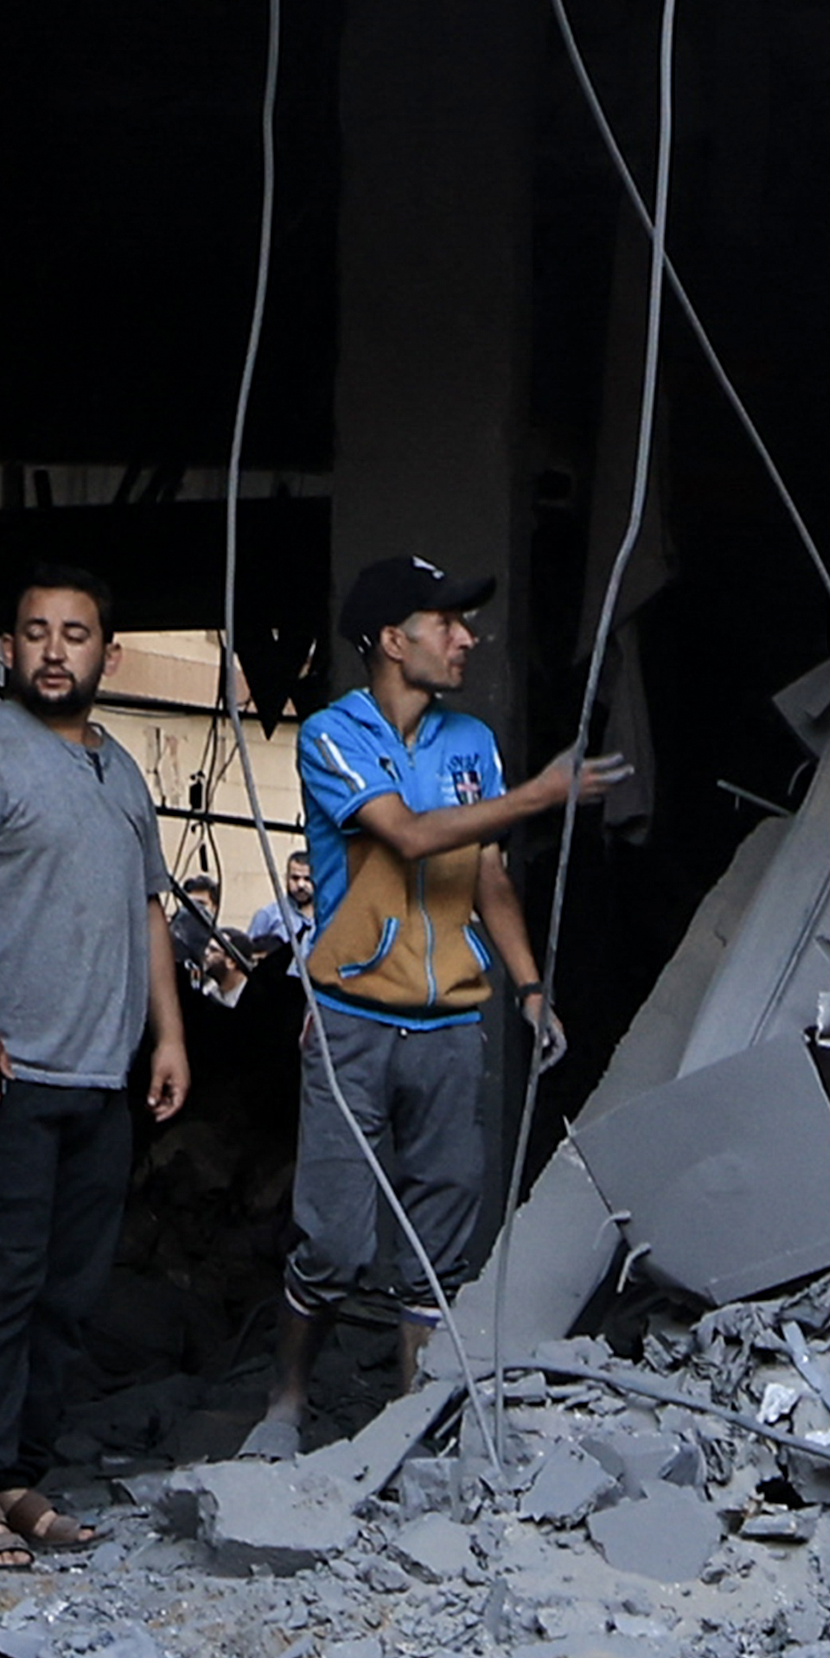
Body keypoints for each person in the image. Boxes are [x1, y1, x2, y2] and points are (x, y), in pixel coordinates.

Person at [276, 556, 614, 1439]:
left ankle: (412, 1429)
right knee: (335, 1243)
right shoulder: (333, 736)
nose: (468, 638)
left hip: (453, 1023)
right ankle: (286, 1401)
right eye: (448, 623)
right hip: (352, 1019)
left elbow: (487, 873)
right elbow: (412, 836)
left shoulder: (472, 743)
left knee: (439, 1245)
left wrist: (529, 986)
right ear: (394, 641)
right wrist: (539, 795)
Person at [0, 575, 187, 1566]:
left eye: (75, 634)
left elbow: (148, 910)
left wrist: (168, 1036)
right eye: (35, 632)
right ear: (8, 647)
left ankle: (17, 1476)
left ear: (108, 653)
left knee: (65, 1297)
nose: (54, 650)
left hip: (97, 1080)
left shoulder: (121, 770)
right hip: (2, 1074)